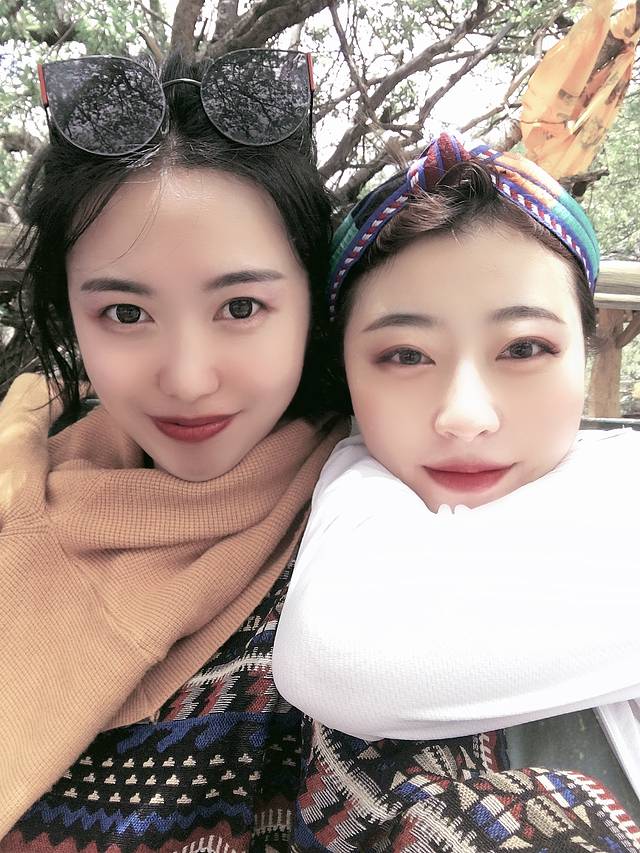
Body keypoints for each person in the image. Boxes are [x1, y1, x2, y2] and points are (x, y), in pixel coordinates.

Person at [1, 60, 637, 852]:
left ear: (312, 308)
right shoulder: (28, 480)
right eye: (125, 313)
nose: (188, 378)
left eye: (241, 305)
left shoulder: (385, 538)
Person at [273, 134, 640, 825]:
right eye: (406, 355)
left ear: (586, 354)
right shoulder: (354, 483)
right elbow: (336, 656)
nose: (465, 416)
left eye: (524, 347)